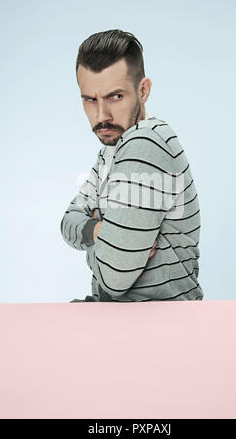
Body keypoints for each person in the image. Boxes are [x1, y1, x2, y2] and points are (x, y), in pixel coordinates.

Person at [61, 29, 204, 302]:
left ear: (143, 90)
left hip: (160, 328)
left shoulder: (145, 141)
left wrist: (104, 240)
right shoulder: (109, 152)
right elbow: (67, 221)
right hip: (122, 324)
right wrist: (101, 231)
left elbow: (114, 279)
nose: (101, 116)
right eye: (90, 99)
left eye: (115, 97)